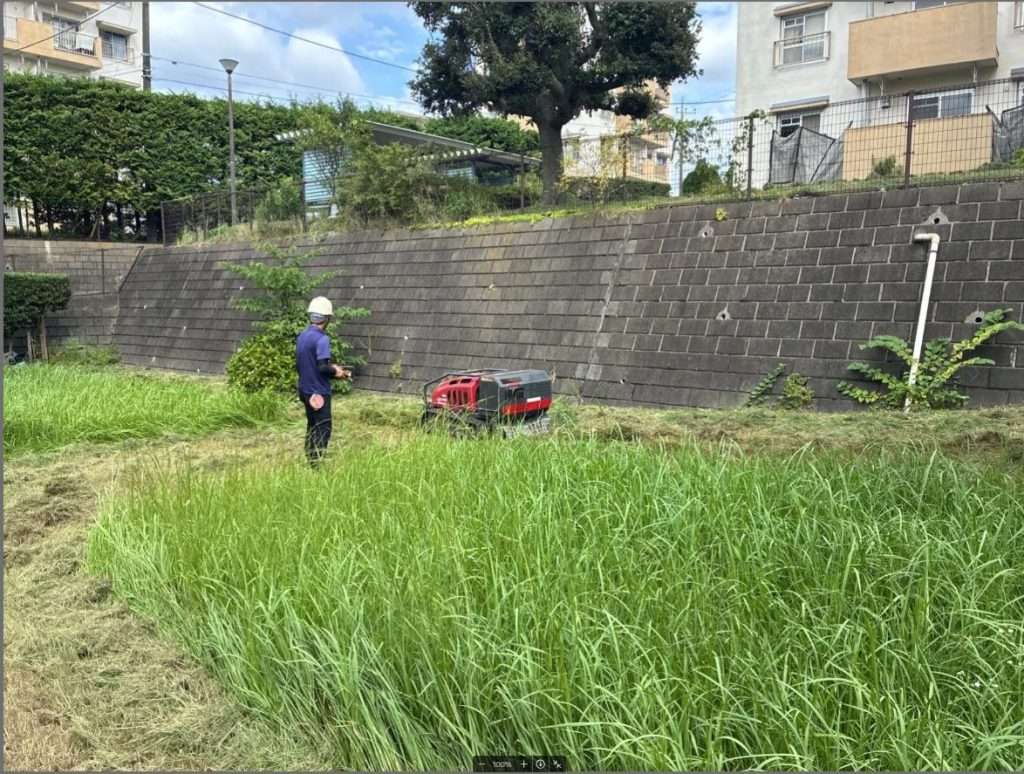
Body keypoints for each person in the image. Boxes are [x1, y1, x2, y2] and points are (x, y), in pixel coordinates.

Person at [296, 296, 350, 466]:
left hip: (305, 390)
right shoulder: (322, 339)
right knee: (323, 427)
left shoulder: (302, 336)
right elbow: (322, 367)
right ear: (327, 318)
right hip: (319, 392)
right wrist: (337, 371)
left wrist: (329, 366)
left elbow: (306, 363)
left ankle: (310, 458)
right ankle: (317, 465)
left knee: (312, 425)